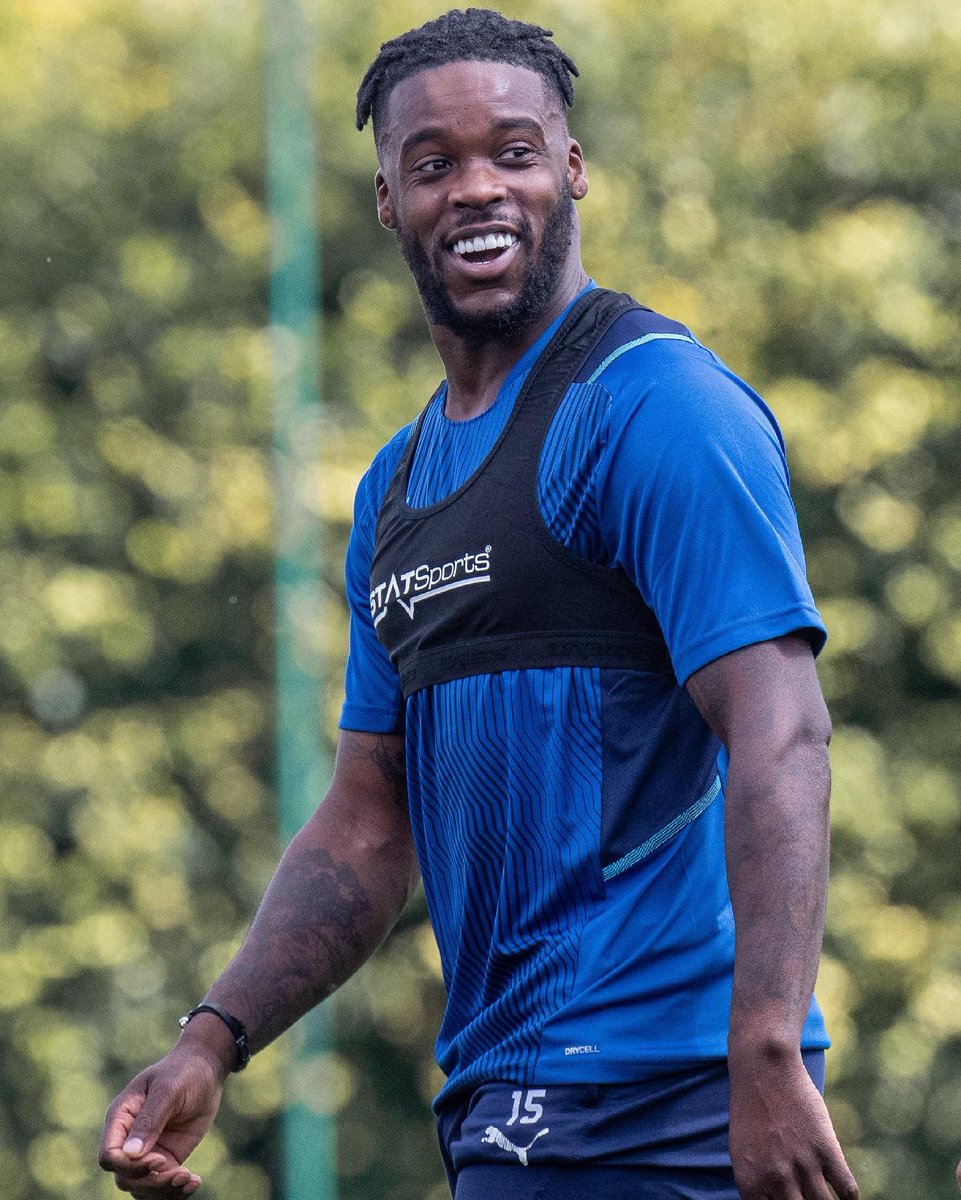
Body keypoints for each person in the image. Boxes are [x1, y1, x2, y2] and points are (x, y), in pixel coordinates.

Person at [99, 10, 860, 1199]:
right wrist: (214, 1039)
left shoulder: (654, 405)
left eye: (512, 150)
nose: (476, 188)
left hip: (665, 1106)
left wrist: (764, 1048)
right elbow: (366, 814)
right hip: (504, 1113)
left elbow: (782, 731)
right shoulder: (396, 491)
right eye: (433, 163)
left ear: (571, 167)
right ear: (387, 204)